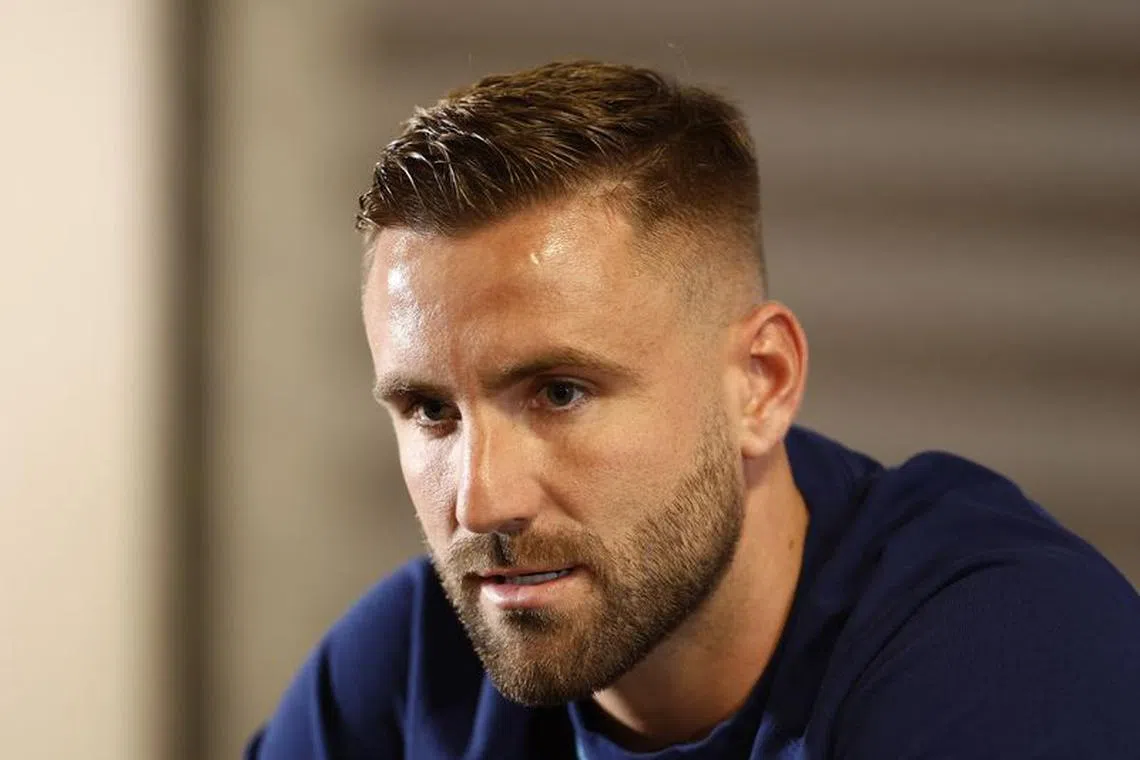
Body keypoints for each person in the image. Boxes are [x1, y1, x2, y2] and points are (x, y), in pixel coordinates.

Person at [246, 61, 1140, 759]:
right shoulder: (409, 673)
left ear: (762, 383)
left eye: (560, 393)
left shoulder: (1007, 660)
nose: (481, 505)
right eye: (432, 411)